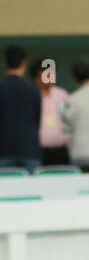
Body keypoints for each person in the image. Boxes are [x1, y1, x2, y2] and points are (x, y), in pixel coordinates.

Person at [0, 44, 42, 174]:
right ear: (24, 63)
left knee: (5, 191)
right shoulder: (33, 88)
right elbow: (37, 119)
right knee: (32, 190)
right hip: (29, 149)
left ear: (5, 62)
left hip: (3, 149)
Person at [31, 56, 70, 166]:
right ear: (36, 78)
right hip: (39, 151)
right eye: (46, 75)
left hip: (61, 150)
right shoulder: (32, 96)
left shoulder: (62, 94)